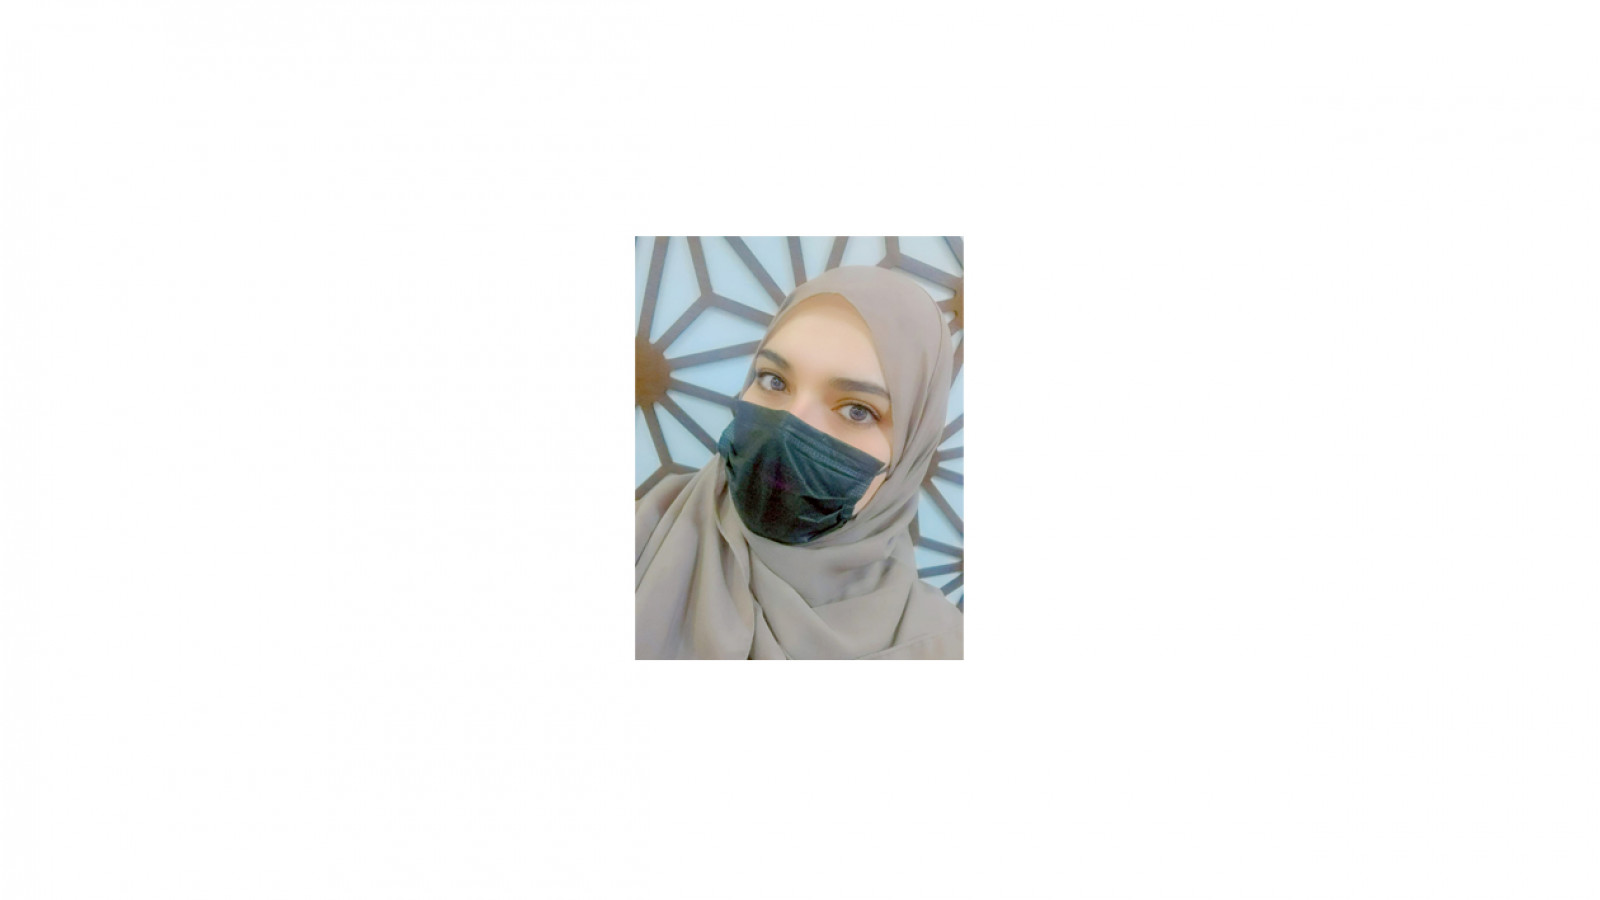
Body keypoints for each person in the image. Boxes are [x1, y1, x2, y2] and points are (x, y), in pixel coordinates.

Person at [635, 265, 963, 660]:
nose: (788, 428)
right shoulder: (644, 533)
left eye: (857, 410)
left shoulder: (944, 649)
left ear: (912, 446)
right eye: (773, 380)